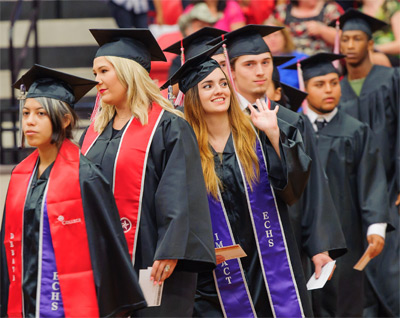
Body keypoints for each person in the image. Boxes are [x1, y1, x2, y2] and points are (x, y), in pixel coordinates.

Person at [161, 44, 313, 317]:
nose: (219, 90)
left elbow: (293, 189)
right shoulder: (182, 148)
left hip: (267, 261)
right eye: (207, 86)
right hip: (213, 274)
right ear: (193, 97)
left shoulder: (256, 135)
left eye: (222, 83)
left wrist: (275, 135)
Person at [80, 29, 216, 317]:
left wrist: (171, 248)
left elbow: (181, 191)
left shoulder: (169, 126)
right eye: (95, 73)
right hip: (103, 259)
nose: (97, 81)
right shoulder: (93, 133)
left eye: (104, 71)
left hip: (154, 257)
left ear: (129, 73)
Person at [0, 64, 146, 317]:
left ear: (65, 120)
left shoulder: (86, 176)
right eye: (25, 113)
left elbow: (107, 250)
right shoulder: (20, 175)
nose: (30, 121)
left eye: (41, 114)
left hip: (70, 304)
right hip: (25, 302)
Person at [208, 24, 347, 282]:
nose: (260, 71)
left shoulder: (291, 121)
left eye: (266, 62)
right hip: (234, 243)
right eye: (249, 64)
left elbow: (314, 187)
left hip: (285, 239)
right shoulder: (215, 119)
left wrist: (320, 246)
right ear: (231, 71)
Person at [285, 52, 393, 317]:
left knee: (345, 300)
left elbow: (372, 179)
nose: (329, 90)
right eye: (319, 84)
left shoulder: (355, 130)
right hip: (303, 233)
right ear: (304, 88)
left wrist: (376, 226)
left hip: (346, 233)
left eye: (334, 82)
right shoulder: (290, 130)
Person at [335, 9, 400, 317]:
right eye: (344, 39)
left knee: (391, 273)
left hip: (393, 191)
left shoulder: (391, 80)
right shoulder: (337, 91)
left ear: (370, 43)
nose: (349, 45)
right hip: (355, 197)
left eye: (357, 39)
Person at [273, 0, 343, 55]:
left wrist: (322, 30)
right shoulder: (283, 11)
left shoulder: (330, 9)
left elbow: (344, 39)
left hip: (321, 61)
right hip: (291, 59)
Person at [263, 18, 308, 88]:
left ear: (284, 37)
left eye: (276, 35)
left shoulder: (302, 59)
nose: (272, 39)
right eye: (268, 36)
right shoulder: (259, 63)